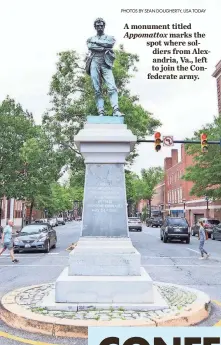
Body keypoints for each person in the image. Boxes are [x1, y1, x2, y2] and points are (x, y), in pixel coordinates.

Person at [86, 18, 122, 117]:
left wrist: (97, 44)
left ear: (104, 26)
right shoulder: (90, 39)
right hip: (94, 61)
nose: (100, 27)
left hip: (106, 62)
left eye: (101, 25)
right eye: (98, 26)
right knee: (97, 88)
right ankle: (101, 111)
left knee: (112, 86)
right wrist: (103, 46)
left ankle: (116, 110)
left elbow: (110, 44)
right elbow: (90, 47)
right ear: (95, 27)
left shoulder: (109, 37)